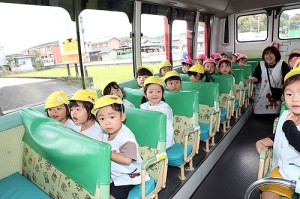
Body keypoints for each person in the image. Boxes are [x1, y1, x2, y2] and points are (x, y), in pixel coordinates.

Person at [93, 95, 150, 199]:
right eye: (102, 118)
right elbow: (97, 145)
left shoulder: (127, 138)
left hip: (128, 176)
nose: (107, 122)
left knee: (110, 196)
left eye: (112, 117)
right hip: (113, 174)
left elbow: (127, 160)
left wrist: (107, 152)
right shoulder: (104, 133)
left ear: (122, 117)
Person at [259, 67, 300, 199]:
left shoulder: (288, 122)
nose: (295, 99)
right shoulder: (286, 114)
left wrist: (289, 125)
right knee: (267, 194)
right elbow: (279, 136)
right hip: (283, 169)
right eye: (289, 94)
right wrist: (263, 141)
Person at [250, 46, 290, 115]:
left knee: (277, 110)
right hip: (263, 93)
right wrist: (254, 79)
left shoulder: (282, 64)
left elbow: (287, 78)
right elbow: (257, 77)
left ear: (276, 55)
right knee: (259, 112)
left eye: (270, 54)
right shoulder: (261, 64)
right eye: (266, 54)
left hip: (278, 93)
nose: (268, 56)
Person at [140, 76, 175, 149]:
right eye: (151, 92)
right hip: (149, 134)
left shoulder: (165, 108)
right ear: (145, 94)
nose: (155, 94)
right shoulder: (143, 107)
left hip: (163, 137)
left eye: (158, 91)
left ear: (163, 93)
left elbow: (165, 128)